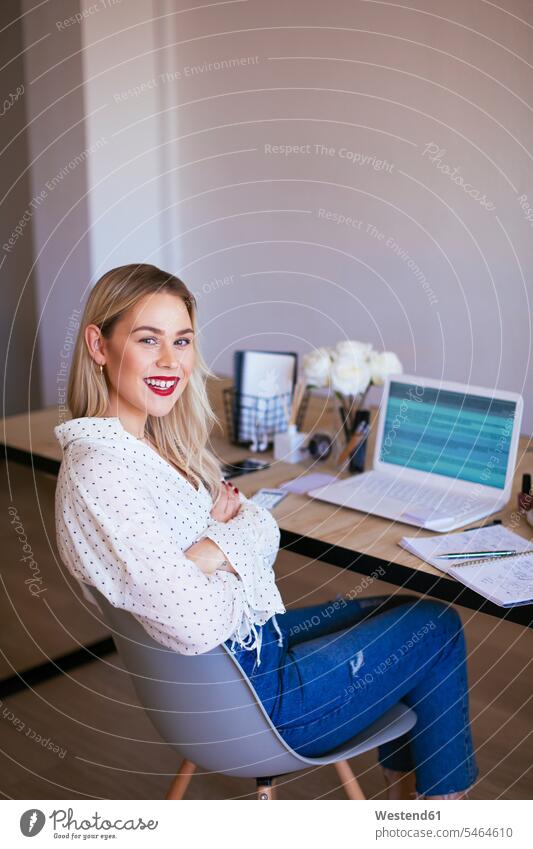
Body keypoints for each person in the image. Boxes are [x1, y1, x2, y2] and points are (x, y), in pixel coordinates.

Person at [54, 263, 479, 800]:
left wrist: (207, 553)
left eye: (181, 341)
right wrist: (220, 545)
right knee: (435, 627)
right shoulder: (104, 470)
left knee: (405, 614)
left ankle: (416, 807)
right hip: (253, 699)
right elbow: (197, 620)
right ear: (98, 344)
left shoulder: (142, 451)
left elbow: (260, 524)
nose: (170, 361)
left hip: (248, 657)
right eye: (147, 340)